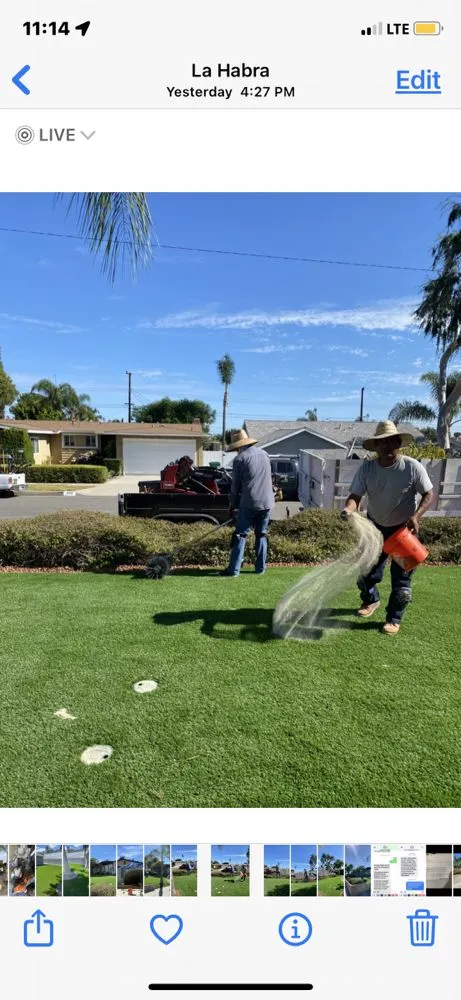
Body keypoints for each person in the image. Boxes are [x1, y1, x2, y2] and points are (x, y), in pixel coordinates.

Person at [341, 420, 434, 635]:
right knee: (365, 575)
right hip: (375, 531)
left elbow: (429, 494)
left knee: (402, 582)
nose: (387, 446)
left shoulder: (411, 467)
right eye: (382, 443)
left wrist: (416, 516)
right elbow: (355, 496)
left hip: (403, 532)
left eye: (392, 441)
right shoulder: (367, 469)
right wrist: (348, 509)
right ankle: (371, 600)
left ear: (399, 443)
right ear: (377, 446)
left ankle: (394, 618)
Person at [223, 429, 275, 576]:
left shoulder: (240, 459)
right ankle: (260, 569)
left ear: (240, 447)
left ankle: (234, 570)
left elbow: (235, 486)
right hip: (267, 502)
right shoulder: (265, 454)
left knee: (240, 534)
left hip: (250, 502)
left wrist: (231, 505)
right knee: (261, 534)